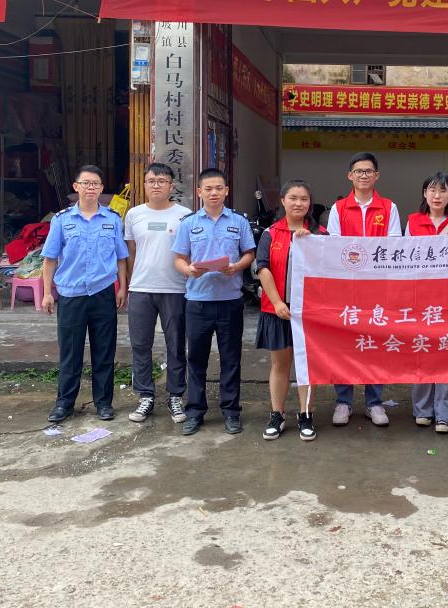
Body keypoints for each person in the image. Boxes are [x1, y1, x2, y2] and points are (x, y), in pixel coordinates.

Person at [42, 165, 129, 423]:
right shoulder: (62, 220)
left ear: (101, 189)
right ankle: (64, 403)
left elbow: (121, 258)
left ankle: (104, 403)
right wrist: (47, 293)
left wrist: (122, 287)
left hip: (103, 293)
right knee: (70, 352)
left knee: (104, 351)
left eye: (96, 184)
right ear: (76, 186)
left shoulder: (112, 219)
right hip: (71, 294)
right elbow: (49, 259)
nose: (91, 188)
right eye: (86, 183)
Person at [173, 168, 256, 437]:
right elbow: (179, 259)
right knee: (196, 359)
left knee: (231, 359)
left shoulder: (239, 222)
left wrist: (237, 267)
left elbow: (249, 254)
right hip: (197, 301)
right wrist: (188, 270)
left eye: (219, 188)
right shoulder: (189, 223)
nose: (214, 193)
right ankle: (195, 411)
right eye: (208, 189)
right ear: (199, 192)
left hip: (230, 300)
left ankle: (231, 412)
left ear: (226, 191)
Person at [326, 151, 402, 427]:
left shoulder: (389, 207)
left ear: (376, 175)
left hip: (378, 288)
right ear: (350, 176)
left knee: (375, 343)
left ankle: (374, 402)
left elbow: (393, 245)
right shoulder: (338, 208)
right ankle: (343, 401)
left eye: (369, 171)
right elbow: (334, 246)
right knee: (344, 343)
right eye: (359, 171)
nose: (364, 175)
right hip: (346, 288)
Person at [255, 180, 324, 442]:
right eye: (293, 198)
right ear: (283, 201)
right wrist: (277, 303)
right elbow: (263, 269)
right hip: (278, 311)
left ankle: (305, 414)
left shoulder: (321, 234)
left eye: (304, 199)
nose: (298, 203)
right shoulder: (270, 233)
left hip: (310, 313)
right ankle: (277, 414)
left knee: (306, 367)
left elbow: (329, 269)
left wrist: (312, 243)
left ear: (310, 203)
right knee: (280, 365)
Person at [123, 163, 192, 424]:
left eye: (162, 181)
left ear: (171, 186)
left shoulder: (184, 215)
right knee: (140, 344)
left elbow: (189, 252)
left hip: (175, 289)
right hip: (141, 289)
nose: (156, 185)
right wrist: (130, 283)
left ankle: (175, 395)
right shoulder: (134, 214)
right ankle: (145, 396)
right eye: (151, 180)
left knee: (176, 344)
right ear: (144, 184)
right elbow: (131, 253)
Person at [405, 172, 448, 433]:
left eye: (443, 190)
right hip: (421, 299)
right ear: (424, 193)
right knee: (422, 351)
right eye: (432, 190)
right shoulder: (412, 221)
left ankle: (446, 414)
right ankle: (423, 410)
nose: (437, 195)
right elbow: (404, 261)